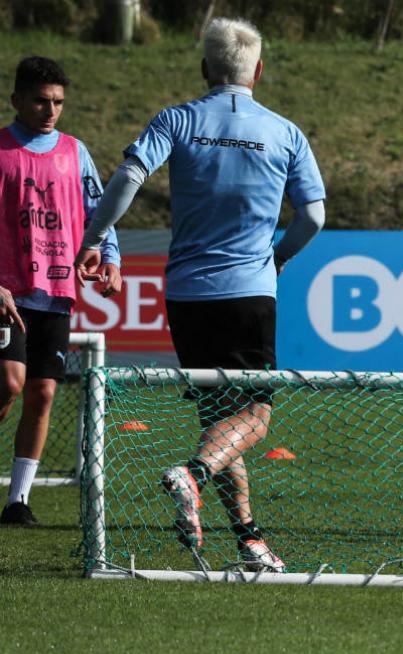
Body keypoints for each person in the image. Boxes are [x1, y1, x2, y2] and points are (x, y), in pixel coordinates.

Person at [76, 18, 326, 571]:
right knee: (254, 418)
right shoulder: (284, 131)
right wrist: (279, 256)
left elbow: (129, 176)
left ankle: (249, 539)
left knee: (219, 418)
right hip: (249, 292)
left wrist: (95, 237)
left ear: (204, 69)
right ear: (259, 69)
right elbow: (313, 214)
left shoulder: (178, 119)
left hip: (187, 294)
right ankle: (191, 474)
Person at [0, 56, 122, 527]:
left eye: (58, 103)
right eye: (40, 100)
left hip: (55, 291)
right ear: (16, 101)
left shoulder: (76, 152)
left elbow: (99, 212)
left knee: (43, 393)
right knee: (7, 384)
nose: (50, 110)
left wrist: (110, 259)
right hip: (7, 294)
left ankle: (17, 502)